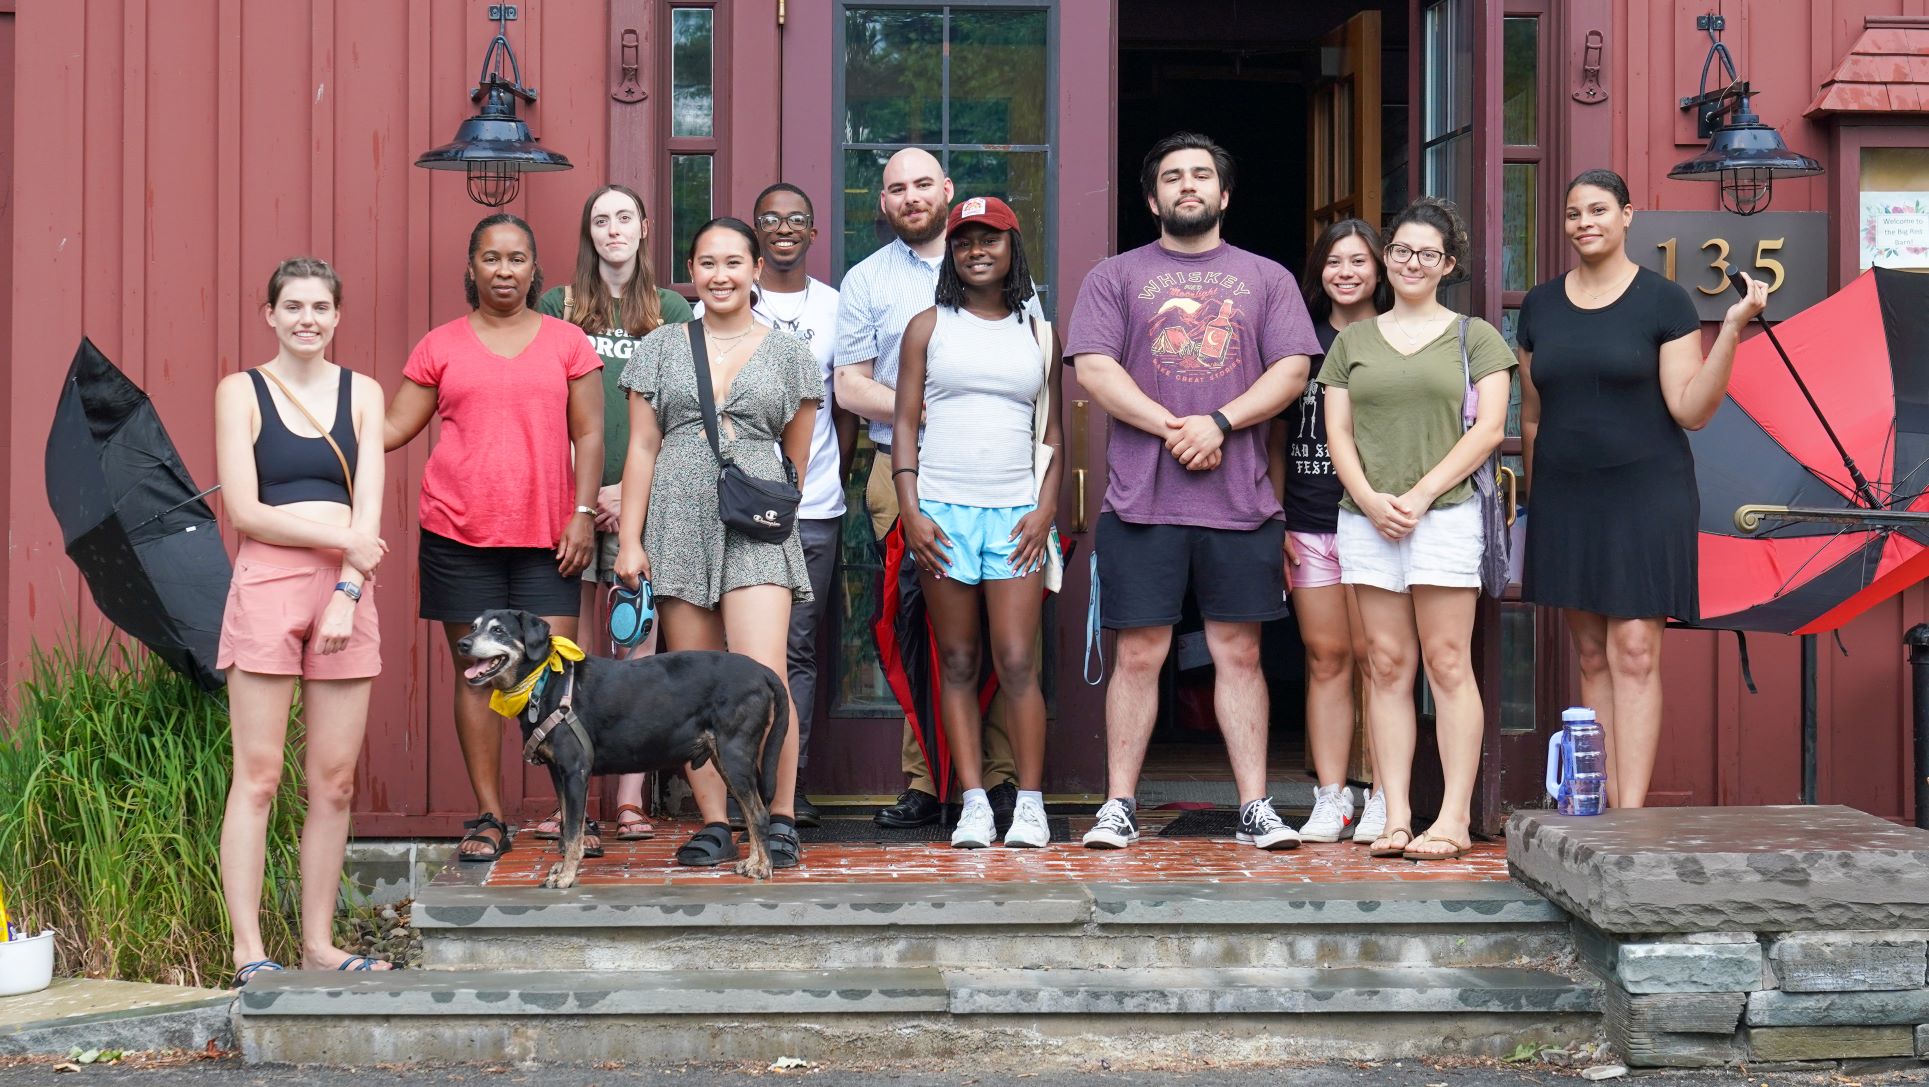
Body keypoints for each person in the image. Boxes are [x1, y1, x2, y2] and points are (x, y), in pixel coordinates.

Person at [1068, 131, 1320, 852]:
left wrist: (1218, 422)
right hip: (1138, 499)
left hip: (1239, 501)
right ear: (1151, 198)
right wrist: (1175, 427)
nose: (1187, 185)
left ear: (1223, 194)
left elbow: (1292, 371)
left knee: (1237, 653)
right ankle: (1118, 804)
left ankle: (1254, 806)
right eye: (1172, 176)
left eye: (1201, 175)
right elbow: (1093, 368)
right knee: (1139, 654)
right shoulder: (1114, 276)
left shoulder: (1265, 278)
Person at [1517, 169, 1766, 809]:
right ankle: (1594, 805)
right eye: (1573, 213)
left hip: (1646, 492)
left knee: (1633, 650)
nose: (1585, 223)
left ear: (1629, 215)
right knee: (1592, 655)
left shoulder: (1665, 301)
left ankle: (1628, 816)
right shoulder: (1540, 307)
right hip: (1567, 496)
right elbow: (1534, 415)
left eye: (1599, 210)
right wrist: (1536, 498)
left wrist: (1732, 329)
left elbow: (1691, 410)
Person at [384, 214, 605, 863]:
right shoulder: (440, 344)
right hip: (456, 531)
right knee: (478, 677)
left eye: (516, 259)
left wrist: (585, 511)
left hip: (550, 535)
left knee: (554, 674)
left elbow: (589, 433)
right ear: (472, 267)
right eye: (491, 258)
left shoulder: (568, 342)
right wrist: (319, 421)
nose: (503, 270)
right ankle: (488, 815)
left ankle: (570, 813)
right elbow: (394, 425)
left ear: (535, 270)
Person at [614, 217, 821, 870]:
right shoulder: (660, 346)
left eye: (734, 261)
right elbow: (641, 447)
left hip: (756, 526)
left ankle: (778, 813)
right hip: (676, 523)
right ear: (691, 271)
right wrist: (629, 540)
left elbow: (797, 457)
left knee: (764, 676)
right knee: (691, 685)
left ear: (757, 269)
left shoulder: (790, 353)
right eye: (707, 262)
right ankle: (714, 820)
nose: (720, 274)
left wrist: (766, 503)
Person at [1319, 197, 1514, 862]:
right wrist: (1370, 499)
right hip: (1366, 518)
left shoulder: (1474, 336)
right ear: (1385, 258)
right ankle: (1396, 815)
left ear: (1447, 264)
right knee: (1385, 665)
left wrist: (1423, 492)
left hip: (1447, 513)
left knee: (1447, 662)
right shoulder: (1351, 342)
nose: (1410, 262)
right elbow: (1336, 431)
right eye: (1399, 250)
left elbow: (1488, 429)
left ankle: (1453, 818)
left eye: (1425, 253)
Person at [834, 148, 1021, 830]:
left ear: (945, 190)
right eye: (895, 189)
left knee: (998, 629)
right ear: (882, 203)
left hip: (999, 471)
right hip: (899, 468)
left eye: (921, 185)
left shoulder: (994, 264)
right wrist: (921, 409)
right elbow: (849, 385)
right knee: (917, 626)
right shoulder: (866, 281)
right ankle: (924, 781)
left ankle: (996, 778)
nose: (910, 197)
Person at [215, 257, 391, 983]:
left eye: (320, 306)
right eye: (292, 306)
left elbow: (370, 508)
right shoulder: (241, 391)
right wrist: (343, 541)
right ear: (270, 314)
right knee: (257, 777)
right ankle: (249, 947)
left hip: (346, 591)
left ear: (337, 315)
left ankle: (319, 942)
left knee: (335, 782)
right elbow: (244, 508)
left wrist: (349, 585)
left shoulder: (363, 393)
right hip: (267, 582)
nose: (307, 319)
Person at [892, 196, 1064, 848]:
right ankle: (970, 801)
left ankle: (1029, 804)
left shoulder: (1039, 333)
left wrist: (1046, 509)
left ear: (1012, 248)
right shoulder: (927, 326)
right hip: (940, 511)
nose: (976, 250)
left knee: (1017, 660)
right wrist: (909, 509)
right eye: (964, 241)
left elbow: (1050, 431)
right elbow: (904, 422)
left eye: (989, 238)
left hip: (1016, 513)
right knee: (958, 660)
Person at [533, 184, 694, 845]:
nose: (613, 229)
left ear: (645, 225)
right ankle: (572, 799)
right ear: (587, 232)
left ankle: (629, 799)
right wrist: (583, 493)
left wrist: (627, 495)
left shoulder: (672, 308)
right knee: (570, 653)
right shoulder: (560, 307)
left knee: (634, 647)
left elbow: (680, 412)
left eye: (624, 216)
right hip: (570, 501)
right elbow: (549, 407)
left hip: (641, 504)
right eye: (600, 219)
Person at [695, 183, 850, 827]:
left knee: (794, 655)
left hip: (808, 507)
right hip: (713, 513)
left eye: (797, 219)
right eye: (771, 220)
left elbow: (827, 412)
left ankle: (790, 787)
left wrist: (787, 489)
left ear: (813, 232)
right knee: (716, 654)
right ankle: (728, 800)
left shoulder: (837, 307)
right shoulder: (700, 327)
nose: (785, 228)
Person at [1267, 218, 1391, 844]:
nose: (1346, 272)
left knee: (1379, 661)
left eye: (1359, 261)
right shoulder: (1301, 344)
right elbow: (1276, 436)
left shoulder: (1397, 338)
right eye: (1334, 262)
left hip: (1379, 523)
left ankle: (1381, 794)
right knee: (1327, 658)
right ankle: (1330, 796)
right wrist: (1278, 517)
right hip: (1312, 521)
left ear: (1380, 270)